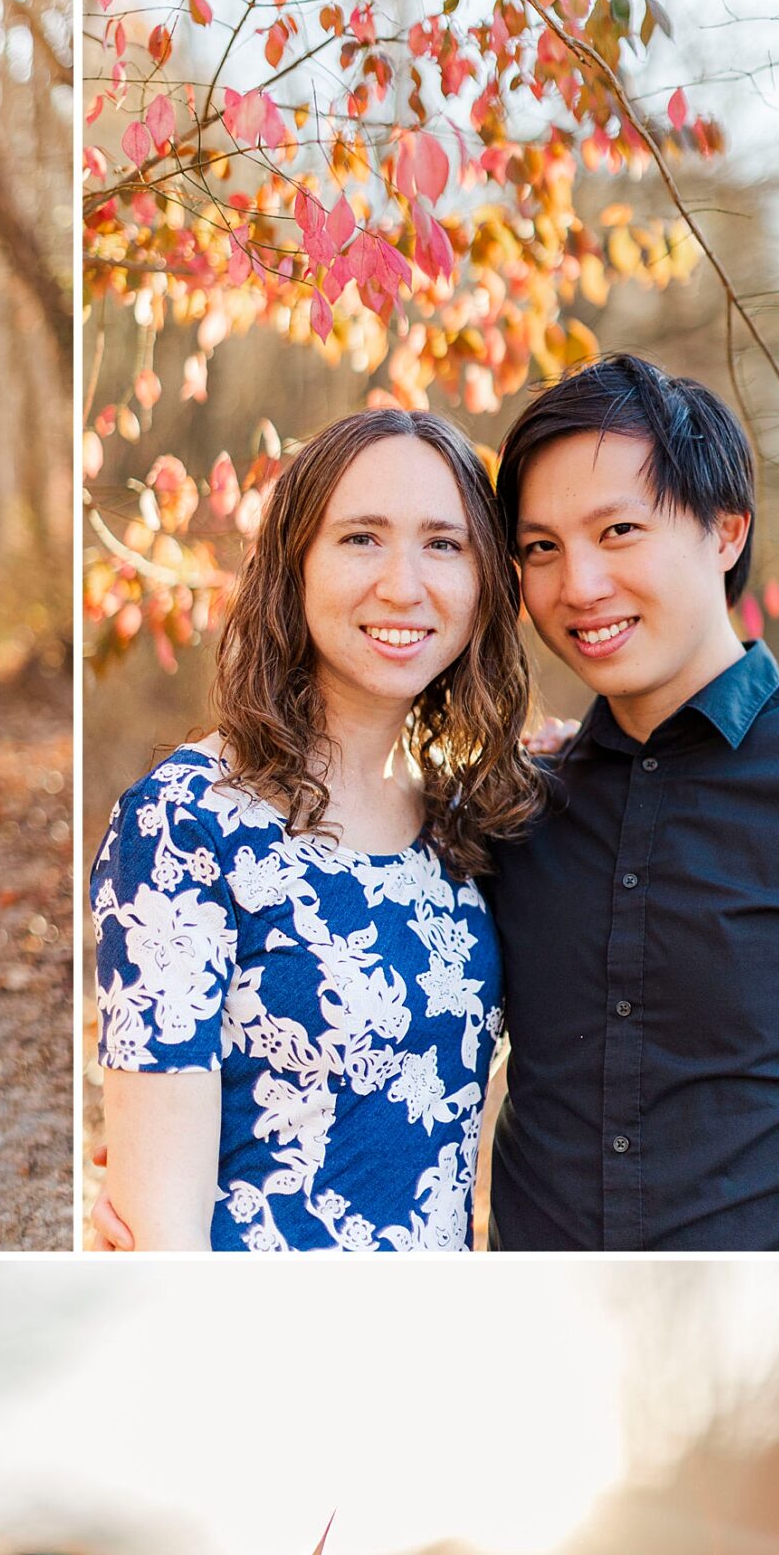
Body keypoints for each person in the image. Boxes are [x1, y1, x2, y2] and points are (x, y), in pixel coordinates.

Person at [486, 352, 779, 1250]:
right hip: (546, 1358)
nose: (578, 586)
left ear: (725, 532)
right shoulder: (519, 811)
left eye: (619, 530)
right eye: (540, 548)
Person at [88, 408, 542, 1250]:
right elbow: (160, 1233)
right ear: (293, 564)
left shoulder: (471, 818)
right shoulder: (189, 820)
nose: (404, 584)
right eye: (361, 538)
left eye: (445, 544)